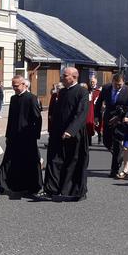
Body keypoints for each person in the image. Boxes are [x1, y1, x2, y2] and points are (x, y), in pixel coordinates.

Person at [42, 68, 89, 201]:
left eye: (65, 75)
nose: (62, 77)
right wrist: (53, 130)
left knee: (74, 162)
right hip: (58, 132)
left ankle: (74, 191)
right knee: (54, 160)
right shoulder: (61, 92)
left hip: (75, 133)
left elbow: (82, 113)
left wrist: (71, 130)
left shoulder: (82, 92)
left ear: (74, 77)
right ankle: (51, 189)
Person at [0, 75, 43, 196]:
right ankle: (5, 184)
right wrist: (7, 135)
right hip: (13, 136)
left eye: (16, 86)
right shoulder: (13, 99)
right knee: (9, 161)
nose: (14, 88)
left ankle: (33, 186)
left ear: (24, 85)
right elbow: (11, 119)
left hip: (27, 136)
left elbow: (37, 118)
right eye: (13, 86)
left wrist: (35, 135)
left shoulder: (31, 98)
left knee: (30, 161)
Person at [94, 73, 128, 177]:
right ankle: (119, 156)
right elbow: (99, 102)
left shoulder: (127, 90)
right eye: (115, 84)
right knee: (106, 141)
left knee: (117, 144)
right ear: (112, 82)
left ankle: (114, 170)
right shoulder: (106, 88)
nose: (117, 86)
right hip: (107, 118)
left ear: (123, 82)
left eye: (119, 84)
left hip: (120, 120)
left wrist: (121, 117)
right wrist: (96, 116)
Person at [86, 77, 102, 146]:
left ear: (96, 82)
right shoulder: (87, 91)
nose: (92, 83)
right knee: (89, 124)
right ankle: (89, 140)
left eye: (93, 82)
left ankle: (100, 138)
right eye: (91, 82)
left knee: (99, 124)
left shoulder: (99, 91)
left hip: (97, 109)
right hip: (89, 110)